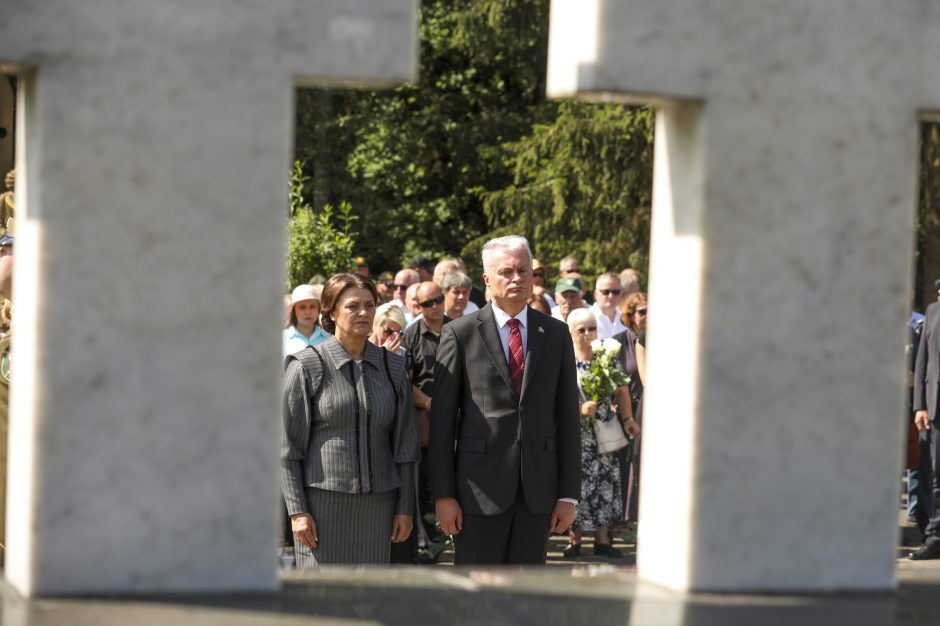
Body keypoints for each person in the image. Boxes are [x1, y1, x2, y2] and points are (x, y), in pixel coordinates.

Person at [429, 235, 581, 565]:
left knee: (526, 603)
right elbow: (441, 423)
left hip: (537, 493)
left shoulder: (555, 334)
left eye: (524, 271)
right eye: (506, 271)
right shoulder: (460, 333)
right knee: (477, 600)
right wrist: (444, 495)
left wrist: (568, 494)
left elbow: (568, 418)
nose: (516, 278)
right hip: (477, 492)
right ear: (486, 280)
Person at [281, 273, 419, 567]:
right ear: (330, 312)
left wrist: (405, 508)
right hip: (322, 509)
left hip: (380, 507)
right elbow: (287, 449)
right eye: (353, 306)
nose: (364, 313)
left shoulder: (392, 367)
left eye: (369, 305)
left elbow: (406, 448)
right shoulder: (306, 366)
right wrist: (297, 512)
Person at [563, 309, 639, 559]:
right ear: (570, 332)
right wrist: (578, 409)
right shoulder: (563, 360)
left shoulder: (605, 357)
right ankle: (574, 541)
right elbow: (554, 400)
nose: (587, 334)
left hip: (604, 432)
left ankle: (602, 540)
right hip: (577, 435)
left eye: (592, 328)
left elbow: (622, 390)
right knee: (577, 485)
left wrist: (628, 418)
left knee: (606, 484)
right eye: (581, 329)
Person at [397, 280, 451, 563]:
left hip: (458, 420)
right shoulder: (411, 335)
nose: (435, 306)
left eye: (438, 299)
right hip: (425, 422)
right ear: (416, 306)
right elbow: (405, 381)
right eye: (428, 303)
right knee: (426, 486)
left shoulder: (459, 330)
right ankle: (432, 544)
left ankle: (452, 541)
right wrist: (430, 403)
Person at [282, 285, 330, 358]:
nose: (308, 312)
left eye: (312, 307)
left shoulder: (328, 339)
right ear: (294, 311)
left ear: (318, 309)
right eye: (302, 307)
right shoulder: (282, 339)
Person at [591, 272, 628, 339]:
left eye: (615, 292)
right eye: (606, 292)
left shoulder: (627, 318)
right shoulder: (587, 317)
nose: (611, 296)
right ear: (596, 294)